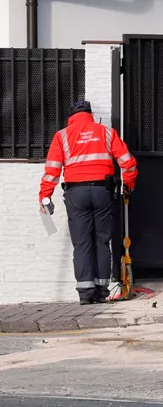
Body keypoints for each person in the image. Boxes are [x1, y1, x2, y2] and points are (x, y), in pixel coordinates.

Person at [39, 101, 138, 304]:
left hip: (76, 193)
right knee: (102, 241)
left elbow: (52, 170)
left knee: (82, 243)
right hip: (103, 191)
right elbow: (128, 163)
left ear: (71, 116)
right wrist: (129, 185)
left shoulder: (62, 136)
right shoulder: (107, 132)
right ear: (90, 114)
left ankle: (85, 294)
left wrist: (45, 195)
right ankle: (101, 291)